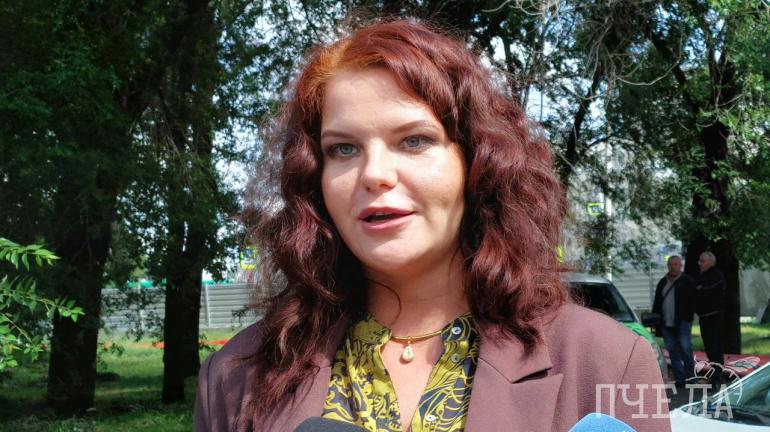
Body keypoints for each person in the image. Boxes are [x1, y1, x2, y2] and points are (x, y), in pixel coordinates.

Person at [194, 20, 669, 432]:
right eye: (343, 149)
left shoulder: (609, 361)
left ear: (478, 162)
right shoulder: (233, 376)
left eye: (414, 141)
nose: (374, 173)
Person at [652, 255, 695, 388]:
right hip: (666, 322)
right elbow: (657, 303)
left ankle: (691, 378)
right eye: (670, 264)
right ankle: (680, 379)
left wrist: (688, 316)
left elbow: (693, 302)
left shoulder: (687, 281)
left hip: (683, 321)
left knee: (685, 348)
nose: (672, 267)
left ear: (680, 266)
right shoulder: (662, 282)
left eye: (675, 264)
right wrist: (655, 322)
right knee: (672, 351)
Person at [695, 251, 726, 386]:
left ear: (711, 262)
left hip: (714, 317)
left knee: (715, 347)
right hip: (704, 317)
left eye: (702, 261)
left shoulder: (716, 275)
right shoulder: (701, 276)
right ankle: (715, 374)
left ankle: (718, 376)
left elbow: (707, 290)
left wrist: (700, 289)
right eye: (699, 261)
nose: (699, 263)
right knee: (709, 348)